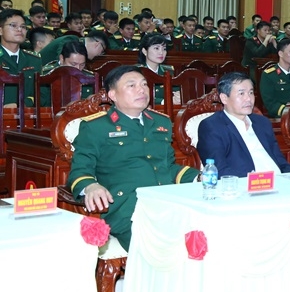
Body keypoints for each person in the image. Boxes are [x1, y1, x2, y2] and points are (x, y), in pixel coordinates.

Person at [67, 65, 200, 251]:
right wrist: (91, 186)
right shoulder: (96, 127)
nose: (141, 90)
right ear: (112, 95)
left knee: (204, 235)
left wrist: (197, 177)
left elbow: (168, 167)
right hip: (127, 208)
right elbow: (80, 170)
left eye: (144, 84)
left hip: (166, 202)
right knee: (166, 249)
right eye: (132, 85)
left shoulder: (160, 122)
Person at [196, 72, 290, 177]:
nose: (249, 99)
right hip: (247, 186)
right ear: (224, 98)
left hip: (280, 183)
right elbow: (219, 170)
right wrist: (257, 180)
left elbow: (280, 161)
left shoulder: (262, 123)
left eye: (251, 92)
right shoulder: (212, 126)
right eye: (241, 93)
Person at [0, 9, 43, 106]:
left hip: (27, 116)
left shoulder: (34, 60)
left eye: (23, 27)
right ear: (0, 30)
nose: (19, 29)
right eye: (13, 25)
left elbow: (42, 93)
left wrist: (22, 104)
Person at [38, 41, 95, 107]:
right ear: (62, 59)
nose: (78, 69)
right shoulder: (44, 75)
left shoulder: (88, 78)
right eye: (73, 64)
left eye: (82, 64)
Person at [260, 38, 290, 117]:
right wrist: (288, 111)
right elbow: (270, 103)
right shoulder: (269, 75)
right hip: (281, 117)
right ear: (280, 53)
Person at [138, 34, 177, 105]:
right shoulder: (137, 72)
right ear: (144, 51)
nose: (161, 52)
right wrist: (162, 102)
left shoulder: (168, 71)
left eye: (164, 49)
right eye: (156, 48)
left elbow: (175, 91)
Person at [38, 29, 107, 66]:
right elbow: (61, 63)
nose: (99, 55)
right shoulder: (71, 40)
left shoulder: (78, 43)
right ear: (97, 44)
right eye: (102, 51)